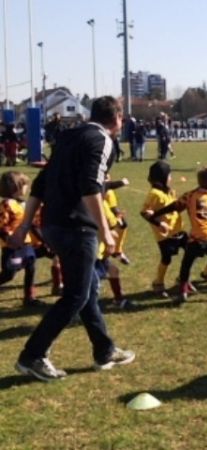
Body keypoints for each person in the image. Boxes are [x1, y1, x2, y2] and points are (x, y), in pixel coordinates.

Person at [10, 96, 135, 382]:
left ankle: (104, 350)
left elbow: (40, 184)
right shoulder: (103, 140)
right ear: (117, 118)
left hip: (53, 224)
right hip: (76, 226)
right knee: (76, 294)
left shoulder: (68, 136)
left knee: (87, 287)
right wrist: (105, 230)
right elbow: (90, 186)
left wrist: (25, 225)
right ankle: (33, 355)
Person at [144, 166, 207, 305]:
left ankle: (183, 290)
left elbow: (175, 206)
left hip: (197, 237)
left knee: (186, 264)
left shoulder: (190, 196)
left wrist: (156, 213)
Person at [140, 161, 186, 298]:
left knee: (192, 251)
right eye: (169, 175)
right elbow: (144, 213)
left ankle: (182, 279)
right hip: (165, 235)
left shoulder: (168, 190)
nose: (171, 178)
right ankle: (158, 283)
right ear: (162, 176)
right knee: (167, 258)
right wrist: (159, 224)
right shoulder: (154, 194)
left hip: (178, 230)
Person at [0, 171, 44, 307]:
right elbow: (2, 225)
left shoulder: (24, 204)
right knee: (9, 273)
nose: (27, 187)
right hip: (12, 247)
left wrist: (42, 240)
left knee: (31, 267)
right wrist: (9, 239)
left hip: (27, 244)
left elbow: (33, 225)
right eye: (24, 184)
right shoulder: (7, 205)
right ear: (15, 187)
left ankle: (29, 297)